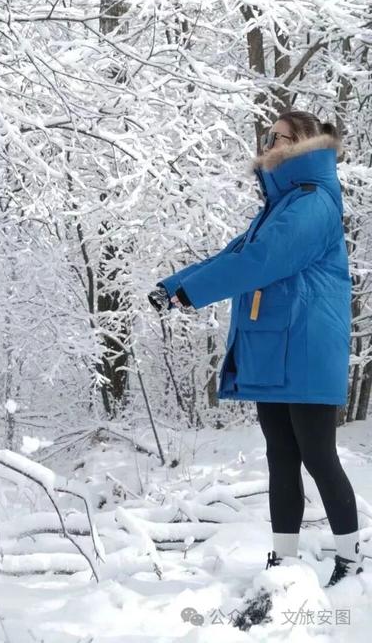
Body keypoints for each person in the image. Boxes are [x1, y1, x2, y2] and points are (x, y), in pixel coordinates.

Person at [148, 110, 363, 588]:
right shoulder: (280, 206)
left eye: (280, 137)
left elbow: (262, 260)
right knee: (281, 455)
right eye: (268, 136)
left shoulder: (313, 203)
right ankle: (283, 559)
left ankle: (351, 558)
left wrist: (193, 292)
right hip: (276, 347)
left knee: (318, 455)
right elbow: (235, 254)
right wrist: (175, 285)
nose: (269, 143)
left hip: (306, 348)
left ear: (303, 145)